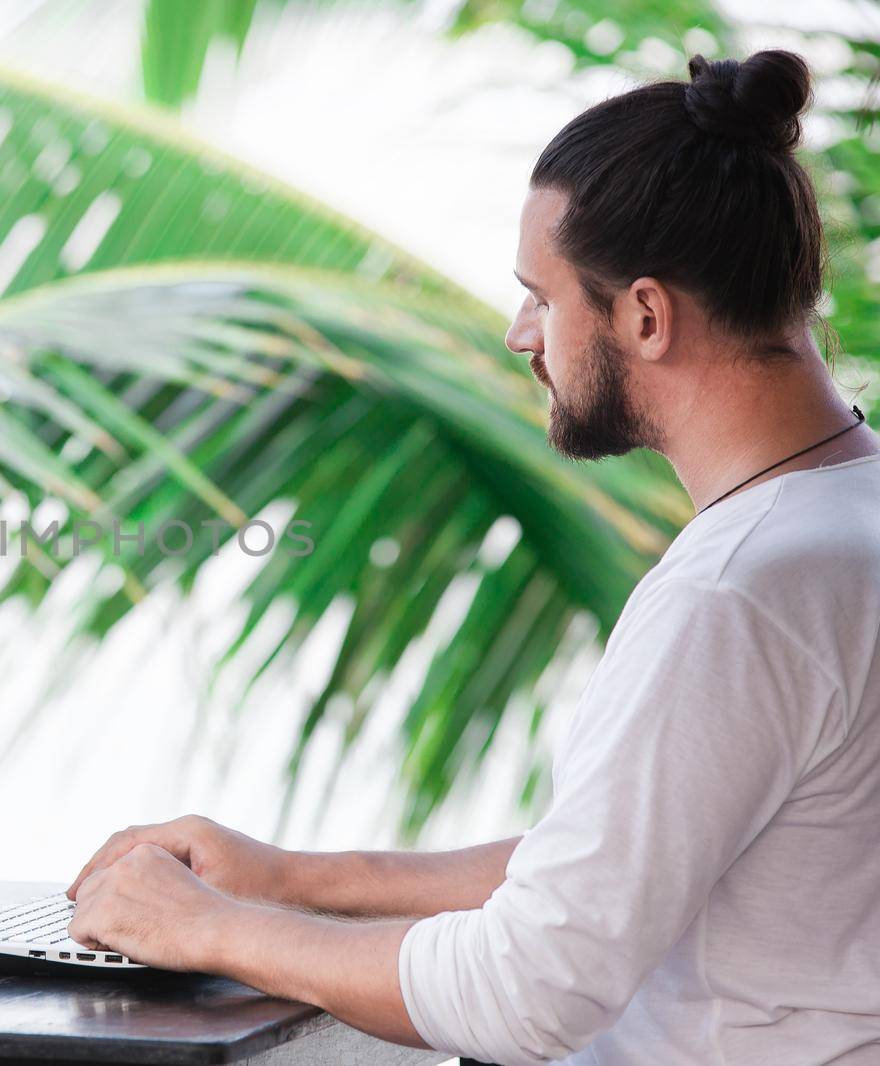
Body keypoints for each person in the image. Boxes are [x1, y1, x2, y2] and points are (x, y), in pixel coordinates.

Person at [63, 49, 880, 1065]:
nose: (516, 333)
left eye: (540, 296)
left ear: (644, 315)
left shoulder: (739, 594)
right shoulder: (844, 519)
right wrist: (291, 879)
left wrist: (206, 928)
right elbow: (609, 867)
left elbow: (526, 992)